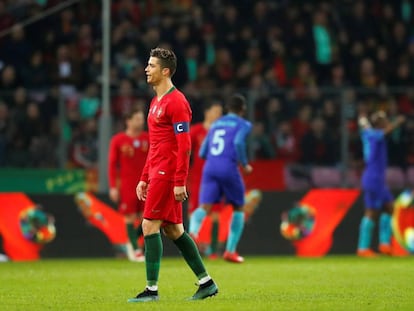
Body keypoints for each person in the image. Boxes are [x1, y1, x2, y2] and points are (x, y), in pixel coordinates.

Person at [129, 47, 218, 303]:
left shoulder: (176, 102)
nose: (147, 69)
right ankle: (206, 283)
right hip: (157, 170)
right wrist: (144, 176)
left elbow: (185, 145)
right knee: (174, 230)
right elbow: (155, 144)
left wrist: (179, 181)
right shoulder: (155, 102)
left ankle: (151, 290)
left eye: (152, 65)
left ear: (165, 71)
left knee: (149, 225)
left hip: (168, 173)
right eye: (147, 64)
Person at [189, 94, 253, 263]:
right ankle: (230, 251)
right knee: (239, 208)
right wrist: (244, 164)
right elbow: (239, 142)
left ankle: (193, 233)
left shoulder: (216, 124)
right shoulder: (243, 124)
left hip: (209, 168)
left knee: (205, 207)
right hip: (228, 167)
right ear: (243, 109)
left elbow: (203, 151)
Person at [357, 111, 405, 257]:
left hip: (378, 179)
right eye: (385, 120)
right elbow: (386, 132)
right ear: (379, 123)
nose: (387, 123)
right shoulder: (374, 134)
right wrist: (398, 122)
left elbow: (365, 125)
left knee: (389, 208)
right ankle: (363, 248)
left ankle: (385, 245)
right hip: (373, 179)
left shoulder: (368, 132)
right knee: (371, 212)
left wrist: (363, 119)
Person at [108, 108, 149, 262]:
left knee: (148, 217)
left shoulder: (148, 138)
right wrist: (113, 186)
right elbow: (112, 165)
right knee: (130, 217)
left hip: (146, 183)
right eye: (137, 118)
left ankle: (132, 243)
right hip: (127, 184)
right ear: (128, 121)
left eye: (141, 118)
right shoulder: (118, 140)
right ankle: (136, 249)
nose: (141, 121)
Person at [188, 100, 223, 258]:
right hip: (199, 179)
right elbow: (185, 151)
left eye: (220, 112)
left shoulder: (222, 132)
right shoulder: (196, 131)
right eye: (216, 111)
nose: (218, 115)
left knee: (215, 214)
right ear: (207, 112)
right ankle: (192, 248)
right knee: (195, 211)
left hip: (217, 179)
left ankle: (213, 250)